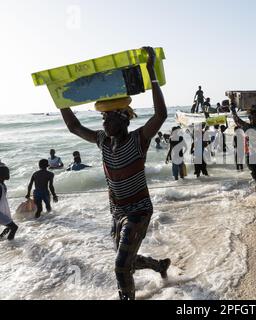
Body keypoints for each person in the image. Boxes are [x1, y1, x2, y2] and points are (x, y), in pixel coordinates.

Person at [59, 47, 171, 300]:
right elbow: (74, 126)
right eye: (103, 118)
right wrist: (60, 98)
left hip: (139, 210)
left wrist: (151, 72)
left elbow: (161, 114)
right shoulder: (103, 141)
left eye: (109, 118)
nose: (104, 123)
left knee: (120, 266)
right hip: (117, 212)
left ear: (123, 119)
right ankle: (159, 265)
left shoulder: (138, 140)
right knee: (127, 262)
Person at [0, 162, 19, 241]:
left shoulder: (2, 184)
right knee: (14, 227)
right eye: (6, 172)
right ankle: (10, 244)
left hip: (2, 210)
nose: (8, 174)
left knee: (10, 226)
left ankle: (1, 238)